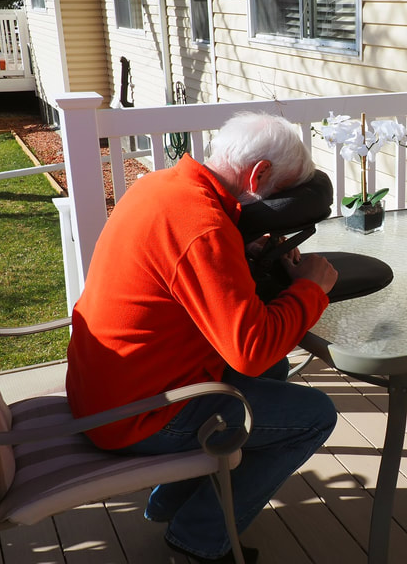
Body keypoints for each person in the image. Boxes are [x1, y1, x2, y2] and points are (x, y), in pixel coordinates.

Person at [66, 112, 339, 563]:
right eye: (280, 192)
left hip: (105, 390)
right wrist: (311, 289)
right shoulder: (205, 227)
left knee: (279, 367)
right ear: (259, 174)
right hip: (135, 415)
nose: (279, 205)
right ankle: (198, 537)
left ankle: (170, 501)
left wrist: (243, 251)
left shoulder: (161, 187)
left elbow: (188, 274)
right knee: (313, 416)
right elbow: (249, 352)